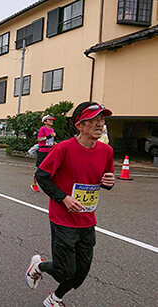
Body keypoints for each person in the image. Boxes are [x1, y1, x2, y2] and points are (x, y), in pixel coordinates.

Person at [26, 102, 115, 307]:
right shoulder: (63, 149)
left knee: (82, 272)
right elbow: (42, 176)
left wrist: (109, 183)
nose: (100, 124)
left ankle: (54, 299)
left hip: (87, 219)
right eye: (93, 120)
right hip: (63, 218)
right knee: (65, 271)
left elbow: (105, 179)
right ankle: (38, 266)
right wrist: (64, 197)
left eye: (102, 120)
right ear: (80, 125)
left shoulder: (106, 151)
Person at [31, 115, 57, 192]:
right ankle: (34, 184)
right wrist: (49, 136)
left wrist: (54, 143)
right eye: (49, 120)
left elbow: (50, 140)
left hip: (50, 151)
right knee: (39, 169)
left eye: (52, 120)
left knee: (50, 169)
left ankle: (49, 184)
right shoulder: (43, 129)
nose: (51, 121)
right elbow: (39, 139)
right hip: (42, 151)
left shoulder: (52, 130)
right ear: (45, 122)